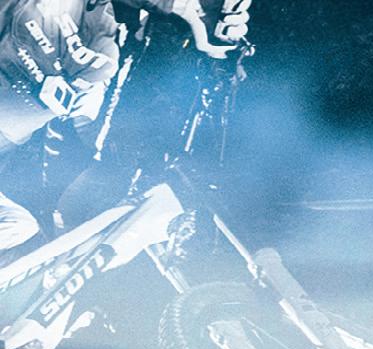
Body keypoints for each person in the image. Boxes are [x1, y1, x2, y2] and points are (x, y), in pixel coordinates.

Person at [0, 0, 249, 259]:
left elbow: (96, 137)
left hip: (25, 140)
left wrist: (218, 50)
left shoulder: (108, 47)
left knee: (28, 226)